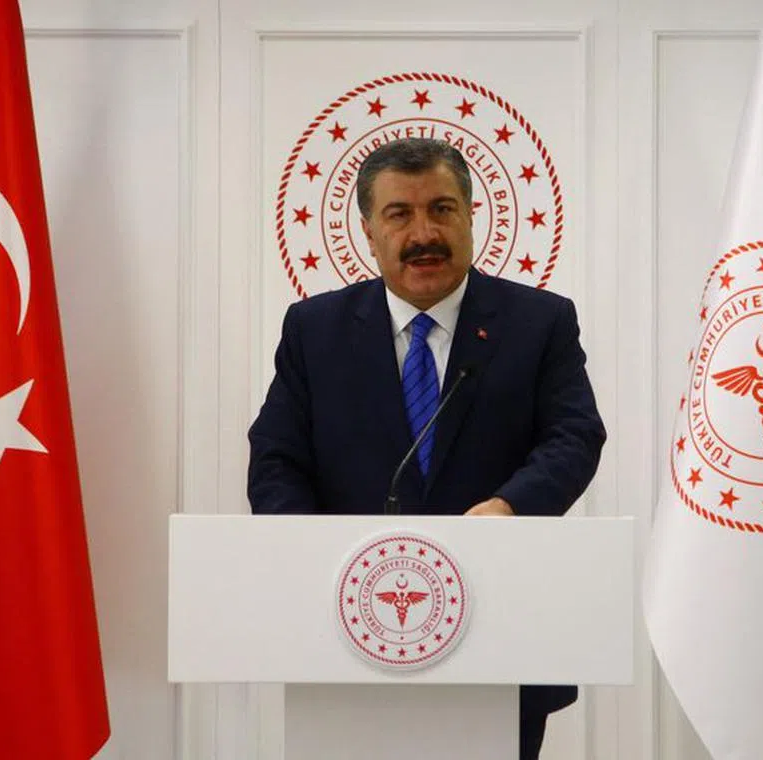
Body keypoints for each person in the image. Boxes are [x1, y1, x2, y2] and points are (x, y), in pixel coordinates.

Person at [247, 137, 606, 760]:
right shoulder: (314, 330)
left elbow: (574, 436)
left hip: (500, 633)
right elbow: (276, 459)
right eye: (399, 214)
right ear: (368, 230)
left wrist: (510, 507)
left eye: (442, 209)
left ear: (471, 216)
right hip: (348, 634)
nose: (423, 233)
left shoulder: (539, 322)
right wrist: (305, 555)